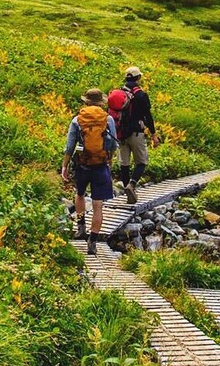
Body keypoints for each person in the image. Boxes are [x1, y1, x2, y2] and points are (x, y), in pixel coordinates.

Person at [62, 87, 118, 255]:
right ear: (101, 102)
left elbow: (69, 147)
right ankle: (92, 241)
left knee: (79, 194)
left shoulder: (77, 120)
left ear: (86, 101)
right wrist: (109, 159)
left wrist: (64, 166)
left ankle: (81, 227)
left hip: (82, 164)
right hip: (101, 165)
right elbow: (114, 145)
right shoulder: (107, 119)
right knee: (98, 204)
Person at [108, 66, 157, 204]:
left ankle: (127, 190)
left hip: (121, 133)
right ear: (138, 78)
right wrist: (153, 134)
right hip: (136, 133)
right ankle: (132, 185)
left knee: (124, 163)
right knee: (141, 162)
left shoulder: (118, 94)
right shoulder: (141, 95)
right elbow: (148, 116)